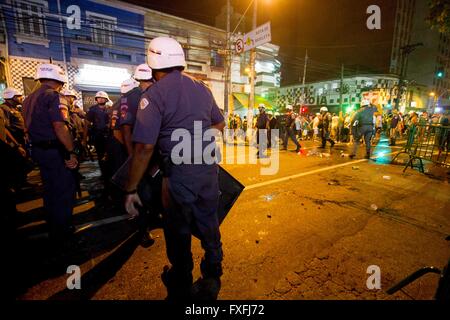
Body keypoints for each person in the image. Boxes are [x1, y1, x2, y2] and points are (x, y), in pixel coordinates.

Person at [124, 37, 225, 301]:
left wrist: (131, 188)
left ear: (153, 62)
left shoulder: (154, 95)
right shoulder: (202, 88)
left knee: (178, 227)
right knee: (209, 220)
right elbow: (219, 124)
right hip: (207, 169)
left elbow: (144, 148)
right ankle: (213, 269)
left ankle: (181, 277)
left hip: (179, 175)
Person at [22, 64, 79, 249]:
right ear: (59, 80)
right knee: (63, 191)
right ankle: (63, 234)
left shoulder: (28, 99)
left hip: (39, 150)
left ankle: (54, 228)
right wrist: (71, 152)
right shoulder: (53, 96)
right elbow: (59, 126)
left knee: (50, 190)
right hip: (55, 150)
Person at [117, 65, 156, 248]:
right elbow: (125, 129)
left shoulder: (157, 93)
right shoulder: (131, 97)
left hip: (154, 154)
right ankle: (143, 230)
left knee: (153, 191)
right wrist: (133, 157)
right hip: (142, 154)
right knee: (142, 192)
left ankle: (151, 221)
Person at [83, 91, 111, 182]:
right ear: (96, 99)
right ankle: (104, 174)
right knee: (100, 156)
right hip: (98, 136)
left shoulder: (110, 109)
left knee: (110, 155)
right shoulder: (92, 109)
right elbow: (86, 124)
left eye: (103, 98)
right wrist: (84, 138)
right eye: (99, 97)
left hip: (109, 135)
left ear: (106, 99)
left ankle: (109, 173)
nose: (101, 99)